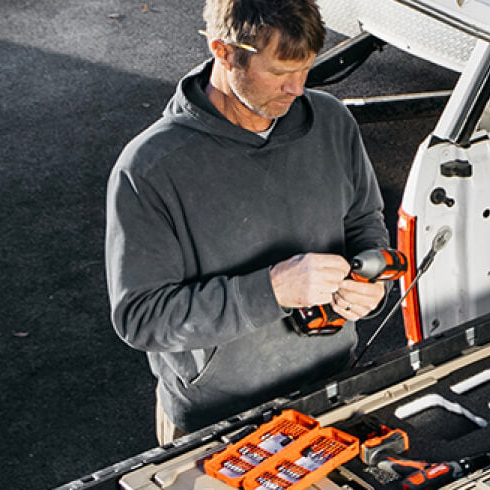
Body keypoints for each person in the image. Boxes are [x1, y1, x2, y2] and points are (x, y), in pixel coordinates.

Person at [105, 0, 390, 444]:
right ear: (223, 51)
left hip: (332, 391)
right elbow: (143, 319)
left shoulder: (331, 121)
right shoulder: (150, 168)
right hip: (216, 421)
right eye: (278, 73)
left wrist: (372, 279)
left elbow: (364, 218)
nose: (296, 89)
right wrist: (272, 290)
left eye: (306, 68)